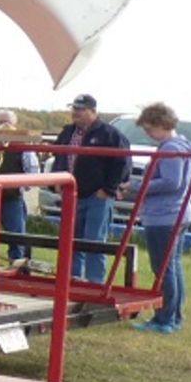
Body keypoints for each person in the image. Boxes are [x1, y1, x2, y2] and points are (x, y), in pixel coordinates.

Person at [51, 93, 129, 281]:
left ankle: (94, 286)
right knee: (70, 241)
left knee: (94, 242)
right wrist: (56, 180)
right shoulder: (68, 132)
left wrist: (108, 190)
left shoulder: (109, 134)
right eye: (74, 108)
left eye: (80, 109)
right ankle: (72, 282)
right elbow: (59, 155)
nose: (75, 113)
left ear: (93, 111)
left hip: (97, 196)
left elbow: (122, 163)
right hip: (71, 194)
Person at [133, 102, 191, 334]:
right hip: (178, 213)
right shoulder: (183, 144)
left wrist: (138, 186)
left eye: (150, 130)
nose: (149, 135)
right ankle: (173, 316)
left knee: (163, 268)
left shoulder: (170, 148)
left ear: (162, 124)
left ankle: (165, 318)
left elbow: (172, 181)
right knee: (172, 266)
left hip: (165, 216)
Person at [0, 109, 39, 266]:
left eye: (7, 123)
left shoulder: (22, 145)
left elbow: (33, 171)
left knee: (16, 235)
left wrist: (19, 187)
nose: (3, 126)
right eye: (0, 122)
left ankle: (17, 265)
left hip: (11, 198)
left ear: (15, 126)